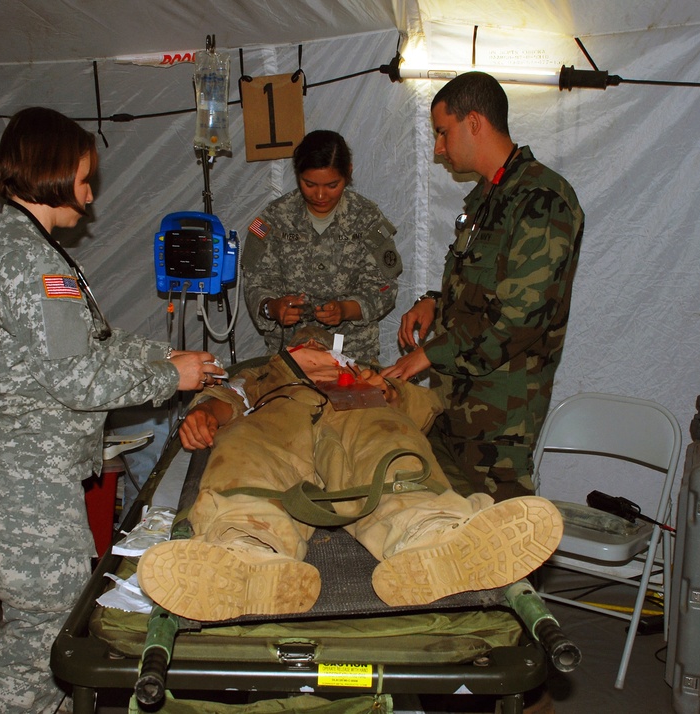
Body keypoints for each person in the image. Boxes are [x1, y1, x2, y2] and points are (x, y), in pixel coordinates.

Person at [0, 106, 224, 714]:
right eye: (83, 180)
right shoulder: (31, 263)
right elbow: (77, 379)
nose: (89, 196)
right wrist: (168, 377)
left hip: (35, 463)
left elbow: (92, 343)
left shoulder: (30, 248)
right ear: (51, 174)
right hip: (28, 467)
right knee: (42, 624)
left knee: (56, 616)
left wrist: (166, 354)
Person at [136, 328, 562, 623]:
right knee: (245, 448)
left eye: (321, 343)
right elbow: (227, 394)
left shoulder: (366, 373)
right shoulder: (267, 374)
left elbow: (424, 408)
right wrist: (207, 414)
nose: (314, 346)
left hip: (354, 407)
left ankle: (429, 535)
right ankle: (247, 552)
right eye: (306, 343)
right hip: (282, 412)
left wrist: (388, 391)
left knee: (389, 443)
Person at [382, 72, 584, 502]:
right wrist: (434, 303)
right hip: (455, 411)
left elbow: (518, 319)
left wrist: (429, 353)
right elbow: (481, 288)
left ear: (474, 122)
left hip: (499, 425)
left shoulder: (540, 200)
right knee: (455, 544)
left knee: (507, 549)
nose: (438, 149)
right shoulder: (490, 197)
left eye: (442, 132)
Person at [242, 129, 402, 363]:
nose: (319, 195)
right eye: (309, 184)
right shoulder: (275, 219)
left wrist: (346, 309)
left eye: (331, 185)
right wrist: (273, 308)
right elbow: (256, 282)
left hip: (353, 354)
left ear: (348, 173)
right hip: (290, 355)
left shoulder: (367, 218)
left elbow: (384, 288)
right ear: (298, 175)